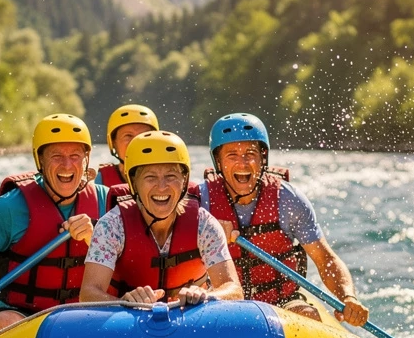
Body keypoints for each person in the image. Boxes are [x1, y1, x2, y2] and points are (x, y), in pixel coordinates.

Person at [0, 114, 111, 336]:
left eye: (75, 156)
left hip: (86, 312)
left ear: (86, 159)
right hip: (22, 314)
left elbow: (128, 267)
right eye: (56, 156)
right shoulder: (8, 208)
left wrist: (93, 237)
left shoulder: (106, 202)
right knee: (2, 322)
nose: (67, 165)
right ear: (40, 160)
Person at [202, 113, 370, 326]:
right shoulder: (201, 201)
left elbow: (325, 259)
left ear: (263, 157)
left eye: (251, 154)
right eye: (232, 155)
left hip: (282, 302)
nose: (243, 163)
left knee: (308, 316)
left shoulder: (287, 199)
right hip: (221, 303)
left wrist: (348, 297)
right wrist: (210, 231)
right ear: (218, 161)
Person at [80, 131, 242, 307]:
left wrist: (206, 296)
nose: (162, 187)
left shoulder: (204, 224)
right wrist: (123, 302)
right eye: (150, 177)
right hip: (128, 322)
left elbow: (233, 289)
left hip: (188, 320)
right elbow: (89, 294)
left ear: (184, 181)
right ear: (134, 183)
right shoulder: (111, 226)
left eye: (171, 176)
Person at [94, 104, 159, 187]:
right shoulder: (99, 180)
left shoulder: (170, 177)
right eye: (128, 136)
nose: (136, 142)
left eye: (144, 135)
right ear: (113, 143)